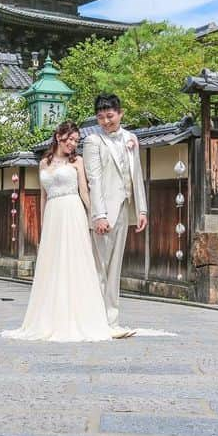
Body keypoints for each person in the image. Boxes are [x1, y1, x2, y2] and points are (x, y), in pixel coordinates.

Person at [0, 120, 118, 342]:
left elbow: (84, 191)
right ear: (58, 137)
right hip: (53, 213)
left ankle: (79, 316)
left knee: (75, 262)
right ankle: (49, 317)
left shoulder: (78, 162)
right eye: (70, 139)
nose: (73, 144)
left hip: (72, 211)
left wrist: (97, 215)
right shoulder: (44, 163)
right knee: (52, 264)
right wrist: (43, 228)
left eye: (76, 140)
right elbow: (43, 196)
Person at [82, 93, 148, 329]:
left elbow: (136, 175)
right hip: (104, 212)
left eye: (110, 116)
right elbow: (94, 180)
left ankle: (112, 319)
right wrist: (98, 215)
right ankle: (95, 319)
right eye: (100, 117)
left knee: (115, 268)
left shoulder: (131, 138)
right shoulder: (92, 142)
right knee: (99, 267)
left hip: (124, 209)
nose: (106, 121)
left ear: (120, 114)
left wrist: (142, 210)